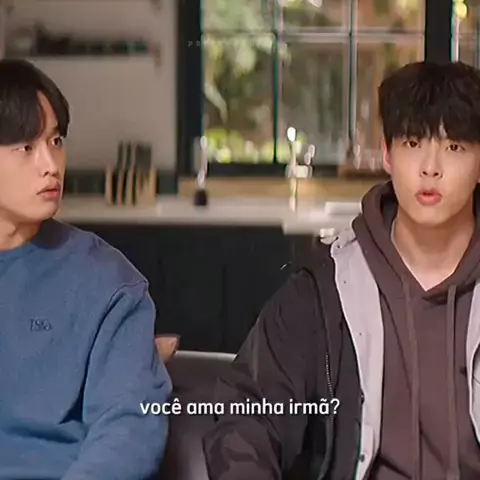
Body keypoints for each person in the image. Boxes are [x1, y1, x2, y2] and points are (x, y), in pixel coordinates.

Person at [203, 60, 480, 480]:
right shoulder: (324, 292)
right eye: (412, 142)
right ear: (386, 154)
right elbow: (246, 417)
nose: (430, 166)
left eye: (454, 147)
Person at [0, 58, 171, 479]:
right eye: (27, 147)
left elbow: (129, 430)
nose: (51, 164)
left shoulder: (109, 283)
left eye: (56, 140)